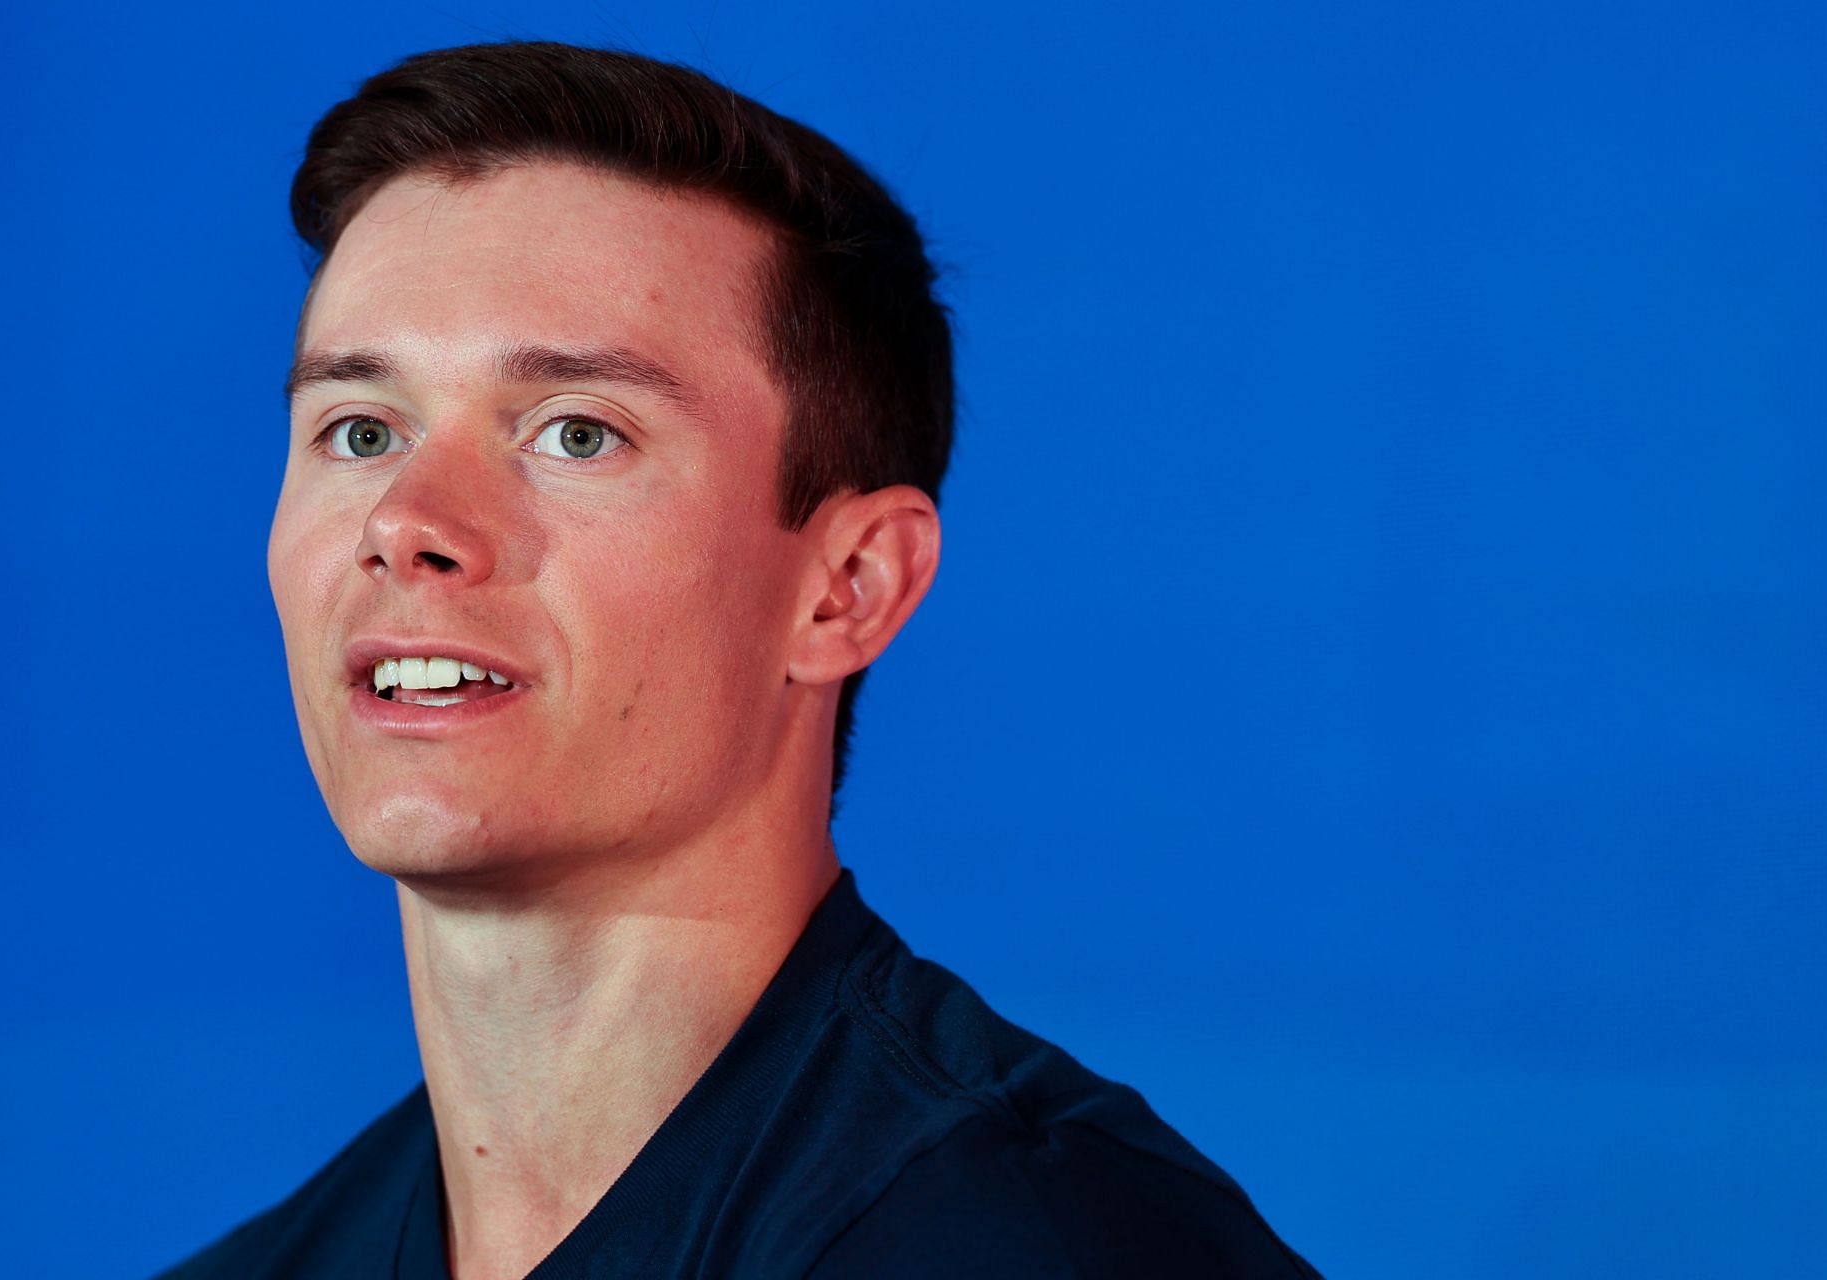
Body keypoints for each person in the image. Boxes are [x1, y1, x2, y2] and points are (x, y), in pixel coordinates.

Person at [158, 40, 1323, 1280]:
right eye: (360, 428)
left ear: (846, 588)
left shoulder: (1040, 1245)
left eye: (575, 431)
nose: (409, 522)